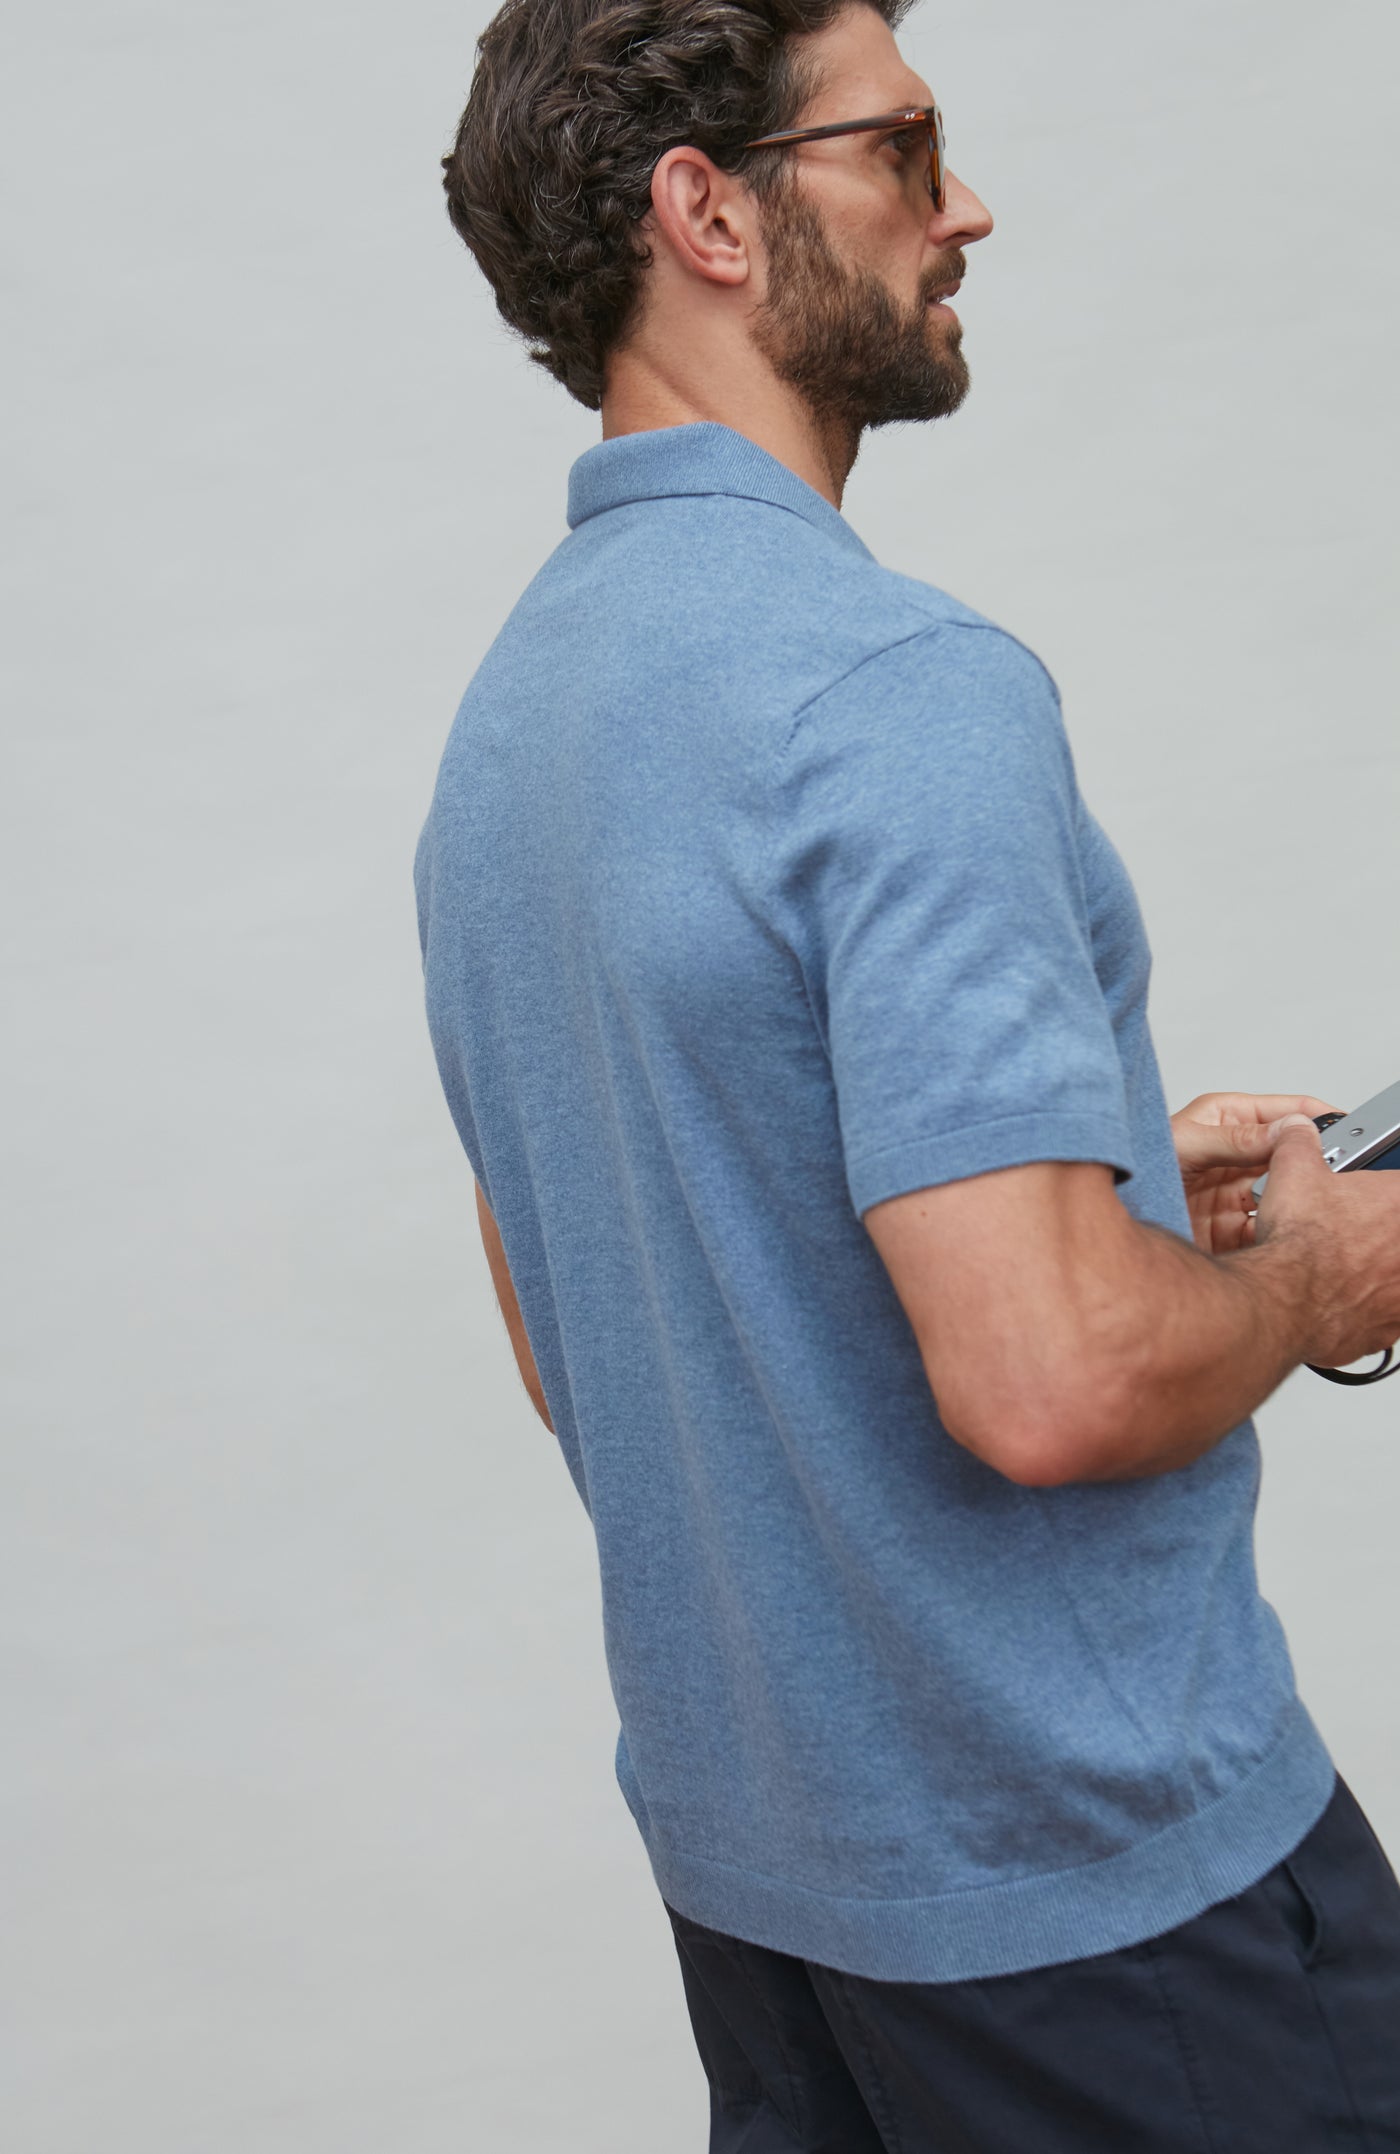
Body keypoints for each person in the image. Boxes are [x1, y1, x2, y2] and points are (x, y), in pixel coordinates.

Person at [413, 0, 1400, 2142]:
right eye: (902, 147)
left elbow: (606, 1302)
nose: (965, 207)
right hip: (1100, 1916)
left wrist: (1100, 1188)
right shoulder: (895, 691)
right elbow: (1046, 1385)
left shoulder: (513, 735)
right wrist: (1323, 1275)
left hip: (775, 1911)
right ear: (708, 211)